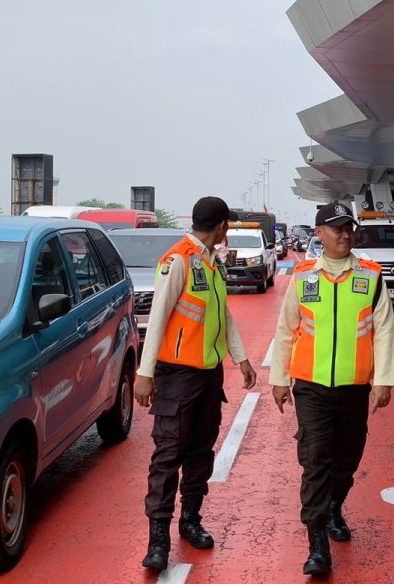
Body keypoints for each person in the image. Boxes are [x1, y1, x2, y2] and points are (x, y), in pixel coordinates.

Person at [271, 201, 394, 578]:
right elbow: (285, 330)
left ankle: (333, 508)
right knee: (316, 463)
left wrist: (384, 380)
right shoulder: (304, 275)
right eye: (336, 228)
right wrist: (279, 378)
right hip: (310, 388)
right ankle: (317, 545)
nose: (345, 234)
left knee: (347, 462)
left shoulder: (371, 276)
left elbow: (384, 330)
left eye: (349, 228)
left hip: (355, 388)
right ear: (319, 233)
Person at [134, 196, 257, 572]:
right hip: (177, 376)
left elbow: (222, 317)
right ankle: (158, 539)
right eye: (228, 225)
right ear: (220, 227)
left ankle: (191, 520)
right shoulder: (179, 261)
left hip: (208, 376)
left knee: (201, 451)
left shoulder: (211, 263)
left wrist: (241, 357)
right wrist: (145, 372)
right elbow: (157, 318)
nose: (228, 231)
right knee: (169, 455)